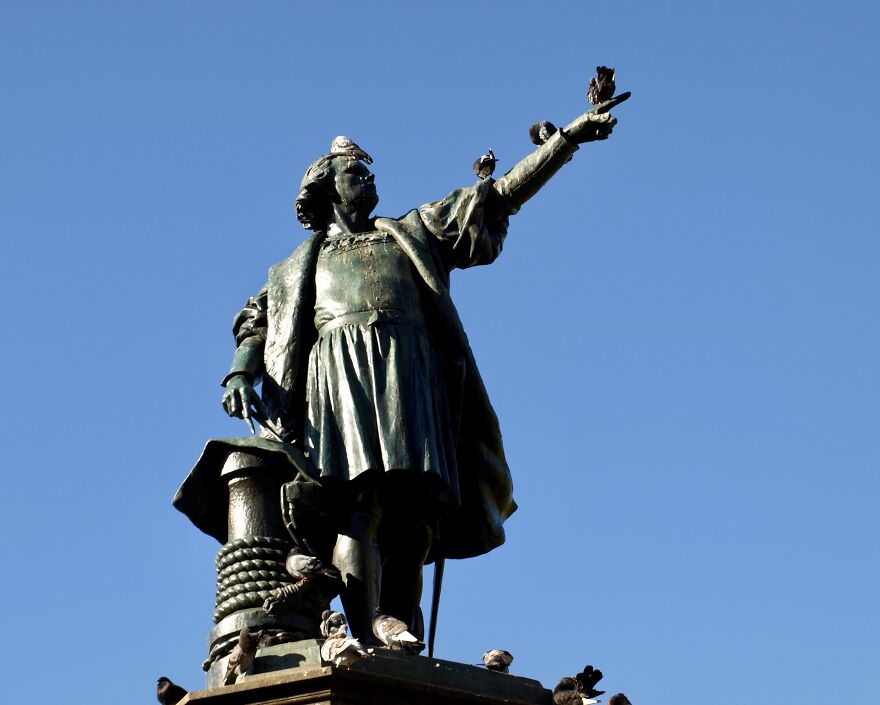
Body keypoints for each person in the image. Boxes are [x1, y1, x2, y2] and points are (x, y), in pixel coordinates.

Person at [221, 108, 618, 642]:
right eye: (356, 173)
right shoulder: (296, 268)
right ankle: (364, 633)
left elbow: (496, 197)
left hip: (410, 373)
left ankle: (398, 629)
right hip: (339, 379)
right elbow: (256, 323)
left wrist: (567, 140)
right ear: (326, 189)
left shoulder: (411, 233)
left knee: (415, 513)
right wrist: (240, 374)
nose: (370, 179)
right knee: (359, 501)